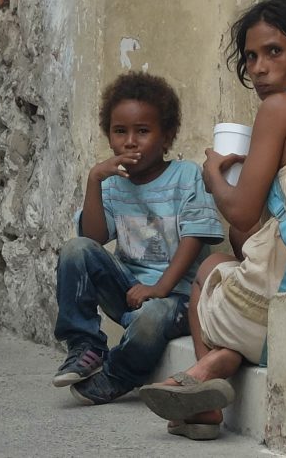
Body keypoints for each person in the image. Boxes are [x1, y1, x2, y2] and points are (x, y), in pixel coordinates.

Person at [138, 0, 286, 440]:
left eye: (274, 52)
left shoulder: (282, 108)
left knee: (208, 269)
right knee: (231, 260)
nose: (260, 67)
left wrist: (214, 176)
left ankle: (209, 392)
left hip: (278, 302)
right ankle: (216, 365)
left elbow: (242, 213)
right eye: (251, 57)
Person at [52, 71, 224, 405]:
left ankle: (119, 374)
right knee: (76, 249)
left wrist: (160, 289)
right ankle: (85, 345)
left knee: (153, 315)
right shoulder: (113, 185)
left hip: (178, 299)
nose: (130, 141)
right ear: (109, 136)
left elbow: (195, 237)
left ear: (167, 136)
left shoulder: (186, 175)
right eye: (120, 132)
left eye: (143, 131)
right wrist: (94, 181)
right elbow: (94, 238)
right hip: (130, 292)